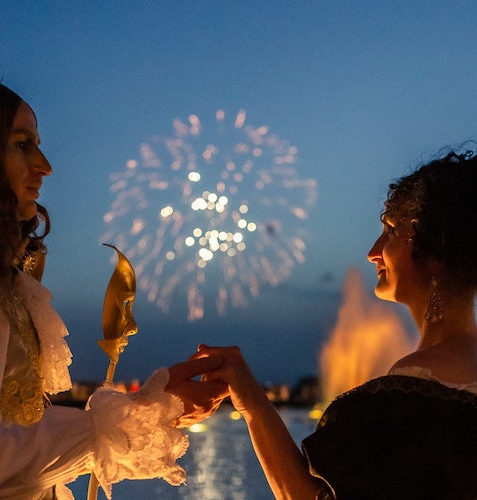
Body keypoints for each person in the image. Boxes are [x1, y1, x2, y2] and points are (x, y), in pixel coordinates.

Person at [0, 27, 227, 499]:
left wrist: (146, 405)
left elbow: (15, 423)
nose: (45, 165)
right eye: (21, 144)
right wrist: (103, 433)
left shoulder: (1, 280)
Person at [194, 150, 477, 499]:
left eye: (390, 231)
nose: (373, 252)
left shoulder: (410, 398)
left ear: (434, 248)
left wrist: (253, 407)